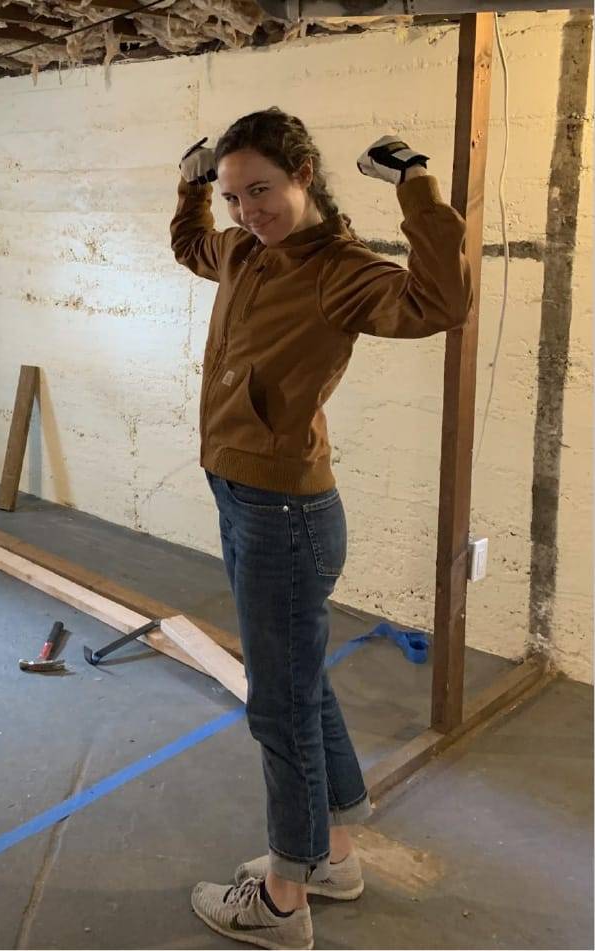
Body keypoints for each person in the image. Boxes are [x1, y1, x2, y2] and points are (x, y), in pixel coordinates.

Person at [171, 108, 473, 951]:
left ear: (303, 174)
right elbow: (189, 246)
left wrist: (415, 187)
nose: (246, 211)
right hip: (239, 494)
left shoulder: (342, 270)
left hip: (284, 514)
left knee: (278, 707)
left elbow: (439, 302)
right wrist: (190, 188)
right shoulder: (239, 250)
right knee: (300, 684)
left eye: (258, 190)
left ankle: (280, 895)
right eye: (233, 196)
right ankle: (332, 854)